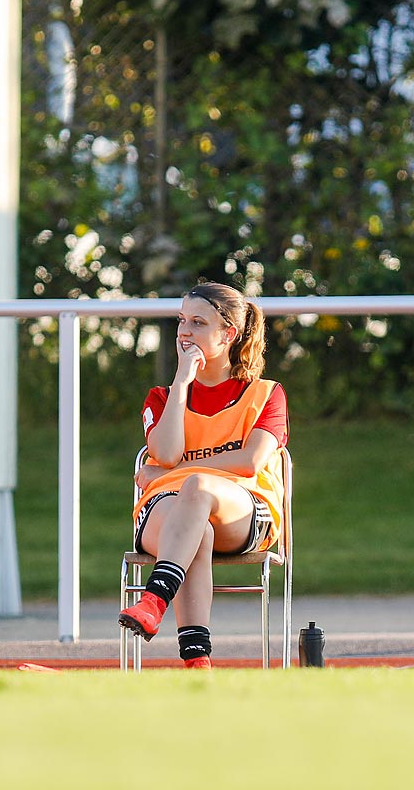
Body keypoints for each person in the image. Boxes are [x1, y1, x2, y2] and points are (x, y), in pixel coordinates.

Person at [117, 282, 288, 668]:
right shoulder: (161, 396)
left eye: (197, 322)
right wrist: (181, 381)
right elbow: (165, 451)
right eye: (181, 321)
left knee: (196, 489)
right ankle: (198, 662)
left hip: (241, 511)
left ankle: (154, 598)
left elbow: (249, 462)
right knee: (197, 530)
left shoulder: (266, 393)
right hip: (167, 510)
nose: (184, 332)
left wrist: (177, 471)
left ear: (228, 334)